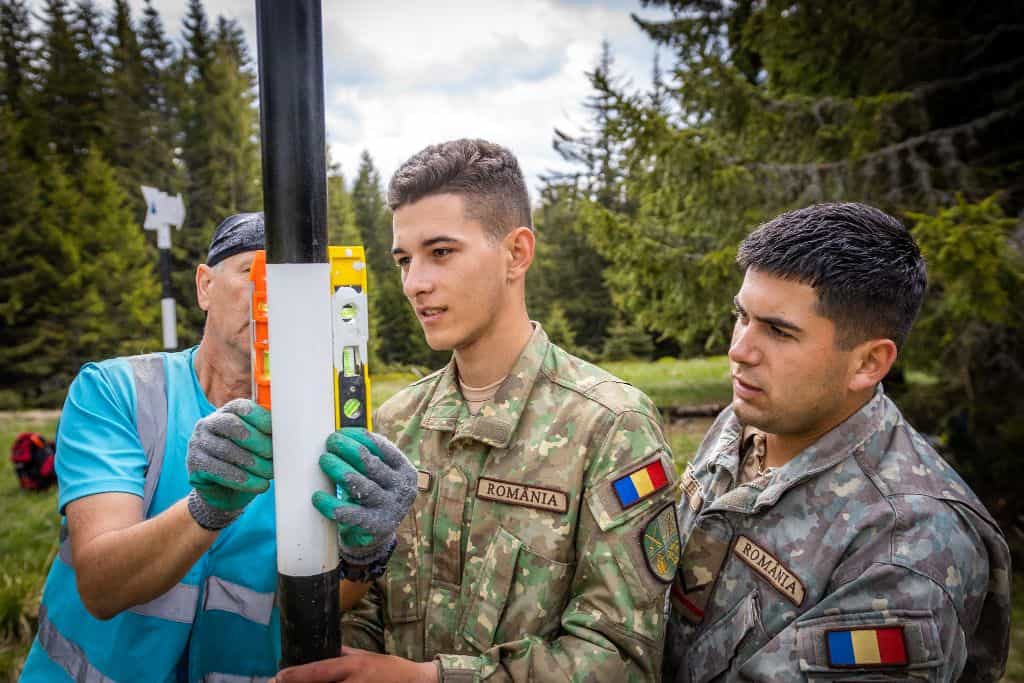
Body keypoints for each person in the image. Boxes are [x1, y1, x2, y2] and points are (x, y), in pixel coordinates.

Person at [275, 139, 679, 683]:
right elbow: (370, 607)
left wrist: (430, 680)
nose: (415, 282)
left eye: (441, 252)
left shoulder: (608, 426)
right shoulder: (398, 422)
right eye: (404, 260)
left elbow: (621, 659)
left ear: (517, 253)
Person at [21, 212, 415, 682]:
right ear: (204, 286)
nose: (274, 301)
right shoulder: (119, 391)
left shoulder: (323, 430)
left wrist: (362, 553)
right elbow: (102, 586)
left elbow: (329, 598)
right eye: (255, 274)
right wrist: (207, 508)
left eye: (295, 288)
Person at [662, 203, 1011, 682]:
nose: (739, 350)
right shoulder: (748, 418)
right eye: (741, 316)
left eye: (779, 331)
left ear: (868, 363)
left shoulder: (907, 546)